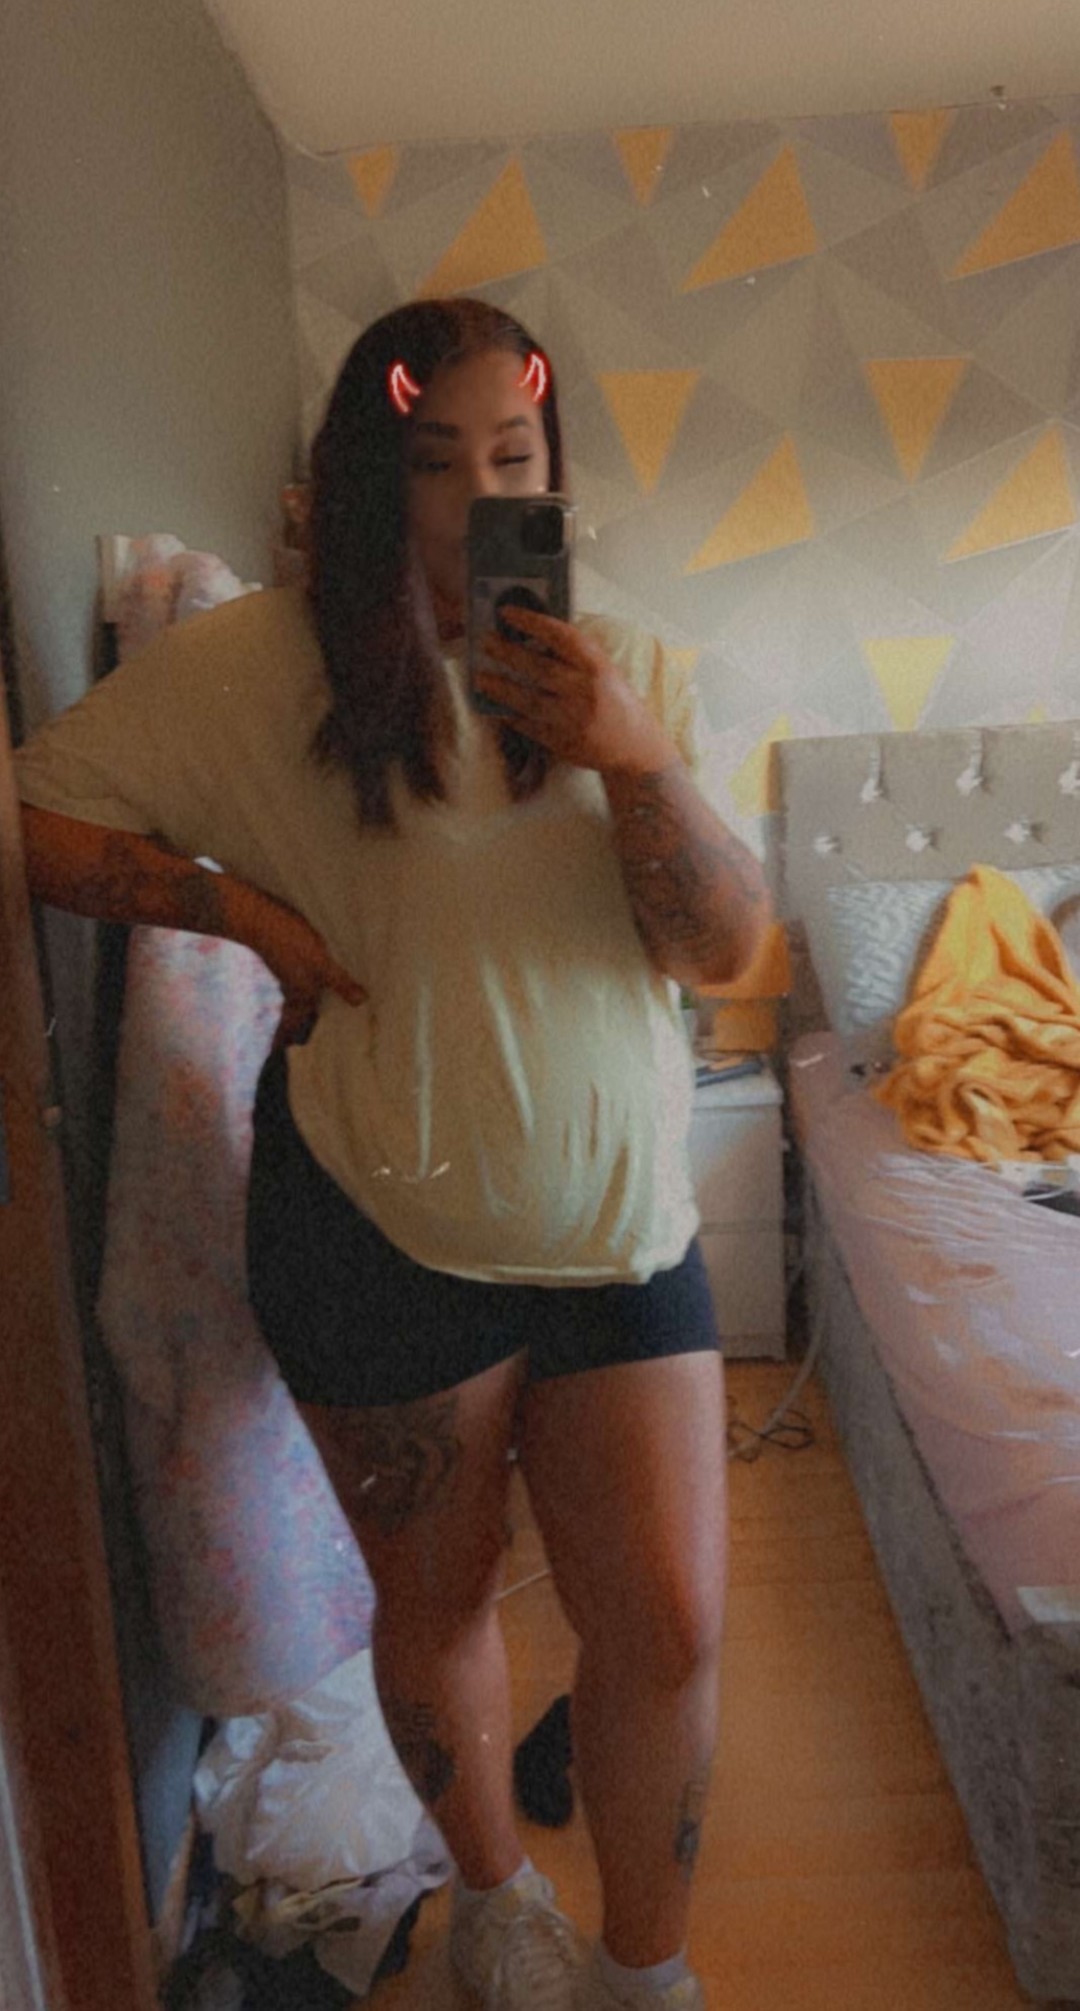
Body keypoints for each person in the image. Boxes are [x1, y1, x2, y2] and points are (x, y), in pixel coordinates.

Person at [15, 297, 771, 2010]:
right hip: (378, 1229)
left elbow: (723, 950)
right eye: (436, 462)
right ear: (368, 480)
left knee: (669, 1623)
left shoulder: (630, 669)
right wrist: (234, 911)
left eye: (513, 458)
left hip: (619, 1231)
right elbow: (37, 815)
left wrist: (634, 758)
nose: (480, 499)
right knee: (438, 1608)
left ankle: (647, 1976)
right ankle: (496, 1901)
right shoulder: (254, 668)